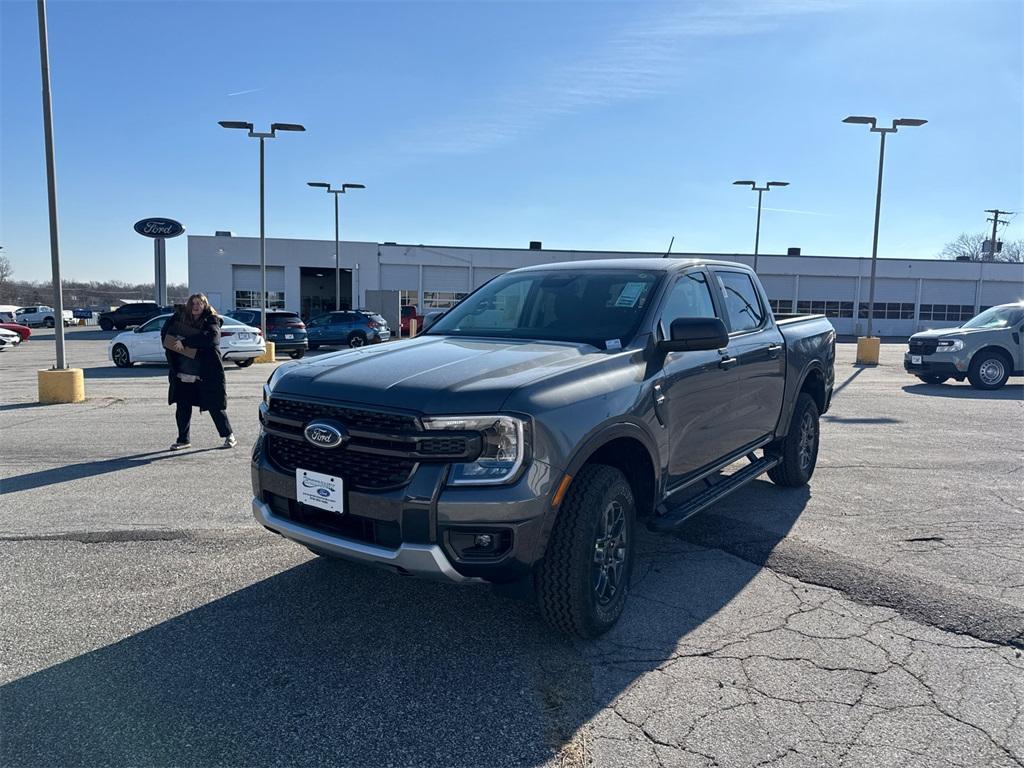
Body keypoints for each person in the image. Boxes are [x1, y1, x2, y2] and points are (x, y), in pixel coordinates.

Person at [161, 293, 236, 450]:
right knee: (182, 406)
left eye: (200, 303)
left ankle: (229, 436)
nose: (196, 306)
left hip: (205, 373)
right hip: (182, 371)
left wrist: (185, 342)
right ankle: (183, 440)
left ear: (205, 305)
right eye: (193, 303)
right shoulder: (179, 318)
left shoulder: (211, 319)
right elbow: (165, 336)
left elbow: (212, 339)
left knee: (215, 405)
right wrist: (179, 344)